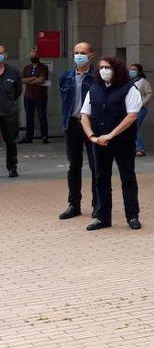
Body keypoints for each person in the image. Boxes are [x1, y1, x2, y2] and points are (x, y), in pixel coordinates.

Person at [80, 56, 142, 231]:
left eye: (107, 67)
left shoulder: (129, 89)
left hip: (123, 141)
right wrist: (92, 136)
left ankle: (132, 216)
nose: (103, 71)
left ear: (116, 69)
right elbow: (84, 115)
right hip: (99, 142)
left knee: (127, 178)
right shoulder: (94, 88)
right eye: (101, 67)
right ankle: (102, 216)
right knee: (101, 178)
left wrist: (111, 134)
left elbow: (132, 116)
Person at [58, 42, 99, 218]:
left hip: (92, 126)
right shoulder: (66, 76)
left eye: (83, 52)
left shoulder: (98, 76)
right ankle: (73, 204)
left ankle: (98, 205)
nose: (79, 55)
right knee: (74, 166)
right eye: (76, 52)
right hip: (72, 124)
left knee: (96, 166)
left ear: (91, 55)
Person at [19, 50, 50, 144]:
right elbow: (22, 80)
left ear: (38, 56)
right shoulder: (26, 68)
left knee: (42, 116)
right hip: (28, 96)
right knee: (29, 117)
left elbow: (41, 80)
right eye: (31, 56)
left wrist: (29, 81)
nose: (33, 57)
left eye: (35, 56)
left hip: (40, 96)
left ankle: (44, 137)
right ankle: (29, 137)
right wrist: (33, 78)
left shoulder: (43, 67)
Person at [0, 44, 20, 177]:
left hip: (9, 113)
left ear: (5, 55)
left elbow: (17, 91)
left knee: (10, 141)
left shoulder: (14, 72)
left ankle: (12, 167)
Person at [128, 63, 153, 156]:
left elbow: (149, 94)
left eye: (134, 69)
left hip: (140, 109)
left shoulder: (143, 81)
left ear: (139, 71)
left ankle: (139, 148)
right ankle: (135, 148)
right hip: (130, 109)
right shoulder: (128, 81)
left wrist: (142, 104)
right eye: (130, 69)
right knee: (133, 128)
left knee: (135, 127)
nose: (131, 71)